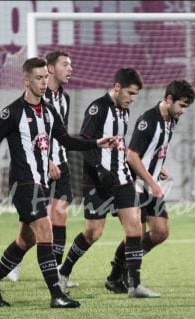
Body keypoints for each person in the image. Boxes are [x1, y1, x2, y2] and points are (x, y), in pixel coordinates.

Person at [0, 57, 116, 309]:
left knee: (24, 241)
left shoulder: (49, 110)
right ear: (26, 80)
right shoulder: (12, 112)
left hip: (42, 183)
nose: (43, 82)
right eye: (39, 78)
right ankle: (56, 295)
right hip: (24, 185)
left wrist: (96, 142)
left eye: (45, 77)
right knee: (45, 230)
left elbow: (67, 141)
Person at [57, 67, 157, 298]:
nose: (132, 99)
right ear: (117, 87)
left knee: (135, 228)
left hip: (121, 179)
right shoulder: (98, 108)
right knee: (93, 233)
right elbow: (84, 141)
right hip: (97, 182)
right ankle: (63, 272)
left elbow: (119, 146)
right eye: (130, 94)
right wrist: (100, 170)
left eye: (135, 95)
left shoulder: (124, 112)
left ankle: (134, 285)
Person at [106, 79, 195, 297]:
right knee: (135, 232)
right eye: (181, 106)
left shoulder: (170, 120)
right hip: (136, 184)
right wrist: (152, 182)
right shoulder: (148, 120)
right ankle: (124, 278)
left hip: (149, 182)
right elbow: (131, 155)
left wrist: (159, 165)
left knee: (160, 232)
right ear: (168, 99)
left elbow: (151, 149)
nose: (183, 111)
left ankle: (118, 274)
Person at [6, 50, 76, 287]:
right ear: (50, 69)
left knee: (60, 215)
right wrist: (46, 160)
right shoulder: (33, 99)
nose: (70, 69)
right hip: (40, 166)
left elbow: (60, 134)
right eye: (65, 65)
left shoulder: (64, 99)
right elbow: (32, 137)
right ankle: (14, 262)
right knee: (33, 222)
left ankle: (57, 271)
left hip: (62, 163)